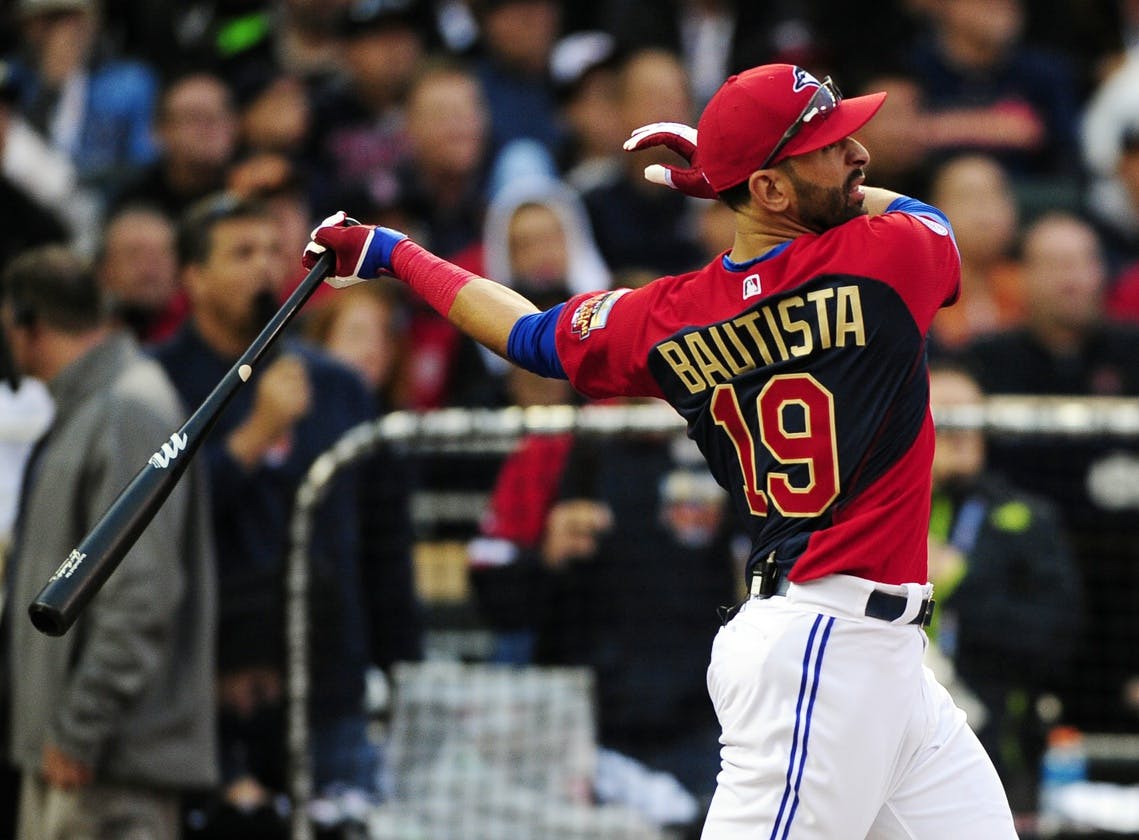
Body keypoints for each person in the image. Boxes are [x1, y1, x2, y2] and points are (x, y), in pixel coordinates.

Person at [303, 62, 1018, 837]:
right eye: (827, 146)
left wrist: (395, 255)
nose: (857, 156)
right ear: (772, 190)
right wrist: (724, 174)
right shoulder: (882, 258)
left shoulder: (671, 314)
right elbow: (928, 221)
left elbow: (526, 335)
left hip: (881, 661)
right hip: (820, 649)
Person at [154, 194, 421, 831]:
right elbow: (153, 528)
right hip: (202, 691)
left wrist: (403, 669)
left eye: (273, 251)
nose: (264, 268)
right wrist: (254, 437)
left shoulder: (339, 387)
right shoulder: (157, 386)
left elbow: (385, 544)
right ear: (192, 277)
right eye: (240, 254)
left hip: (329, 683)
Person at [0, 244, 218, 840]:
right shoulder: (93, 406)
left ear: (26, 325)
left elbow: (141, 591)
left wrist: (79, 728)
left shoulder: (129, 408)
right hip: (72, 759)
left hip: (105, 769)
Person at [962, 211, 1139, 734]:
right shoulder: (984, 363)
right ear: (1023, 276)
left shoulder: (1133, 352)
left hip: (1123, 592)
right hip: (1019, 586)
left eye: (1086, 262)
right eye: (1058, 264)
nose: (1074, 278)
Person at [927, 361, 1080, 814]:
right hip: (886, 735)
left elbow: (1056, 637)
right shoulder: (870, 517)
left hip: (995, 752)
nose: (962, 430)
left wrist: (960, 583)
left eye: (971, 417)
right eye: (947, 416)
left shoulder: (1026, 520)